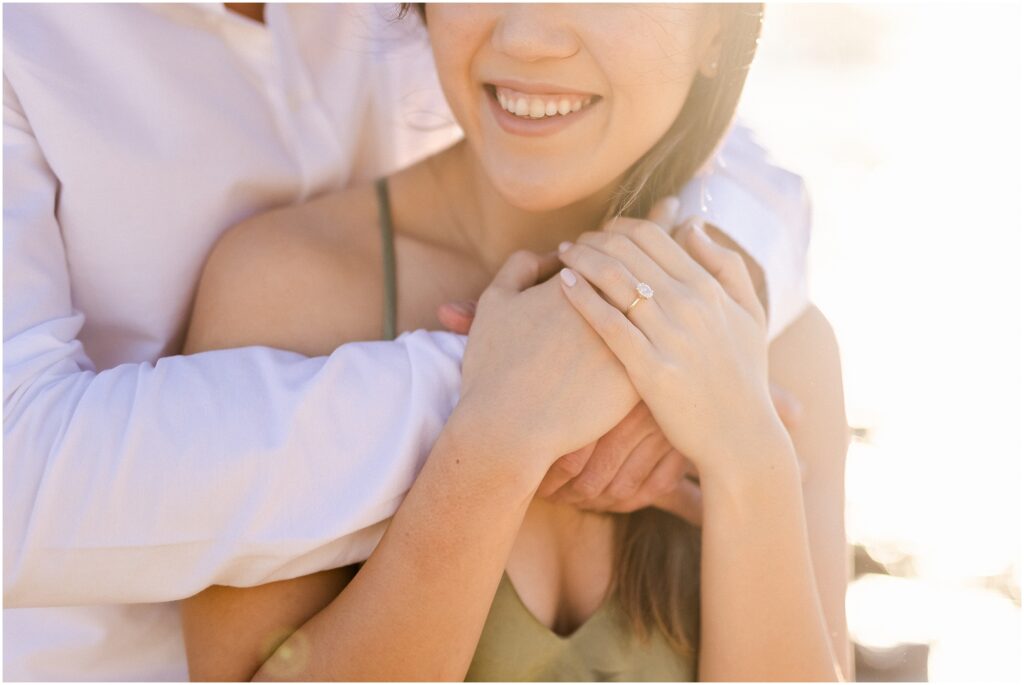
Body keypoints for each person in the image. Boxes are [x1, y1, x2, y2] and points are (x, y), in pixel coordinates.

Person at [3, 3, 812, 681]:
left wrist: (745, 448)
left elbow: (709, 123)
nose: (530, 34)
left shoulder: (768, 326)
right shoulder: (281, 288)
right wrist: (498, 422)